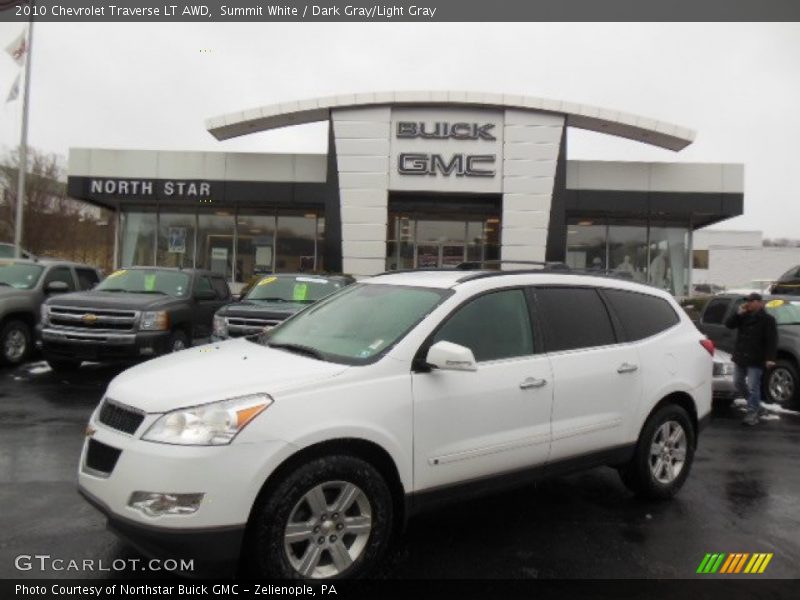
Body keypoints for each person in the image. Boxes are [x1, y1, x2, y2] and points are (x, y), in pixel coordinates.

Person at [724, 292, 778, 426]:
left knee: (753, 386)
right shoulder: (743, 316)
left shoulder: (767, 319)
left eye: (752, 301)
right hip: (741, 356)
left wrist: (770, 358)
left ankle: (752, 413)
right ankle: (756, 405)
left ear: (759, 303)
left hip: (756, 357)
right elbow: (729, 324)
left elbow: (772, 340)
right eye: (748, 301)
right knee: (738, 382)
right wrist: (738, 313)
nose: (749, 303)